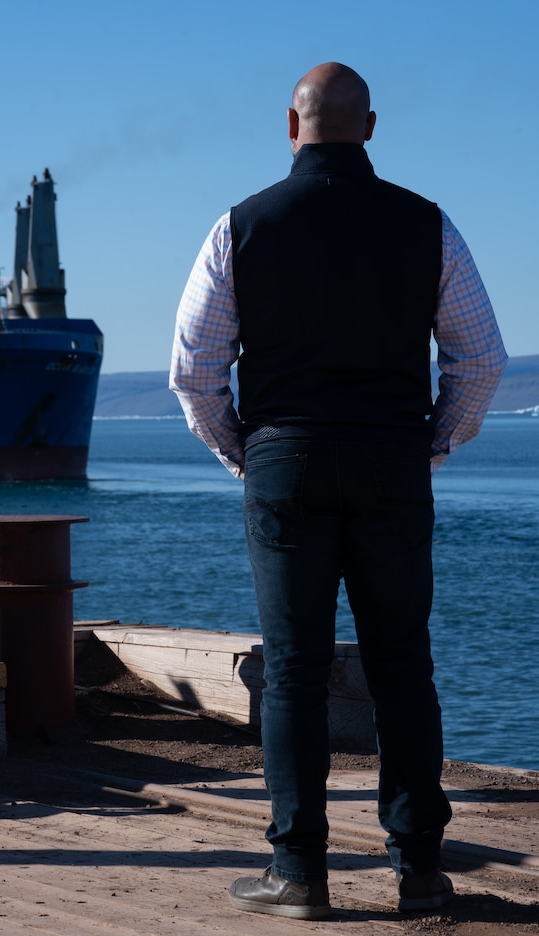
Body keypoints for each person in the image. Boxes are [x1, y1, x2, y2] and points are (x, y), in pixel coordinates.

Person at [169, 63, 507, 920]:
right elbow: (482, 357)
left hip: (288, 461)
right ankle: (421, 869)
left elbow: (194, 370)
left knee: (293, 674)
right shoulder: (427, 225)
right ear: (371, 127)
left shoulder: (240, 227)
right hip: (392, 457)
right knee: (404, 667)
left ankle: (298, 874)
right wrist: (435, 440)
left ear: (292, 124)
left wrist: (244, 451)